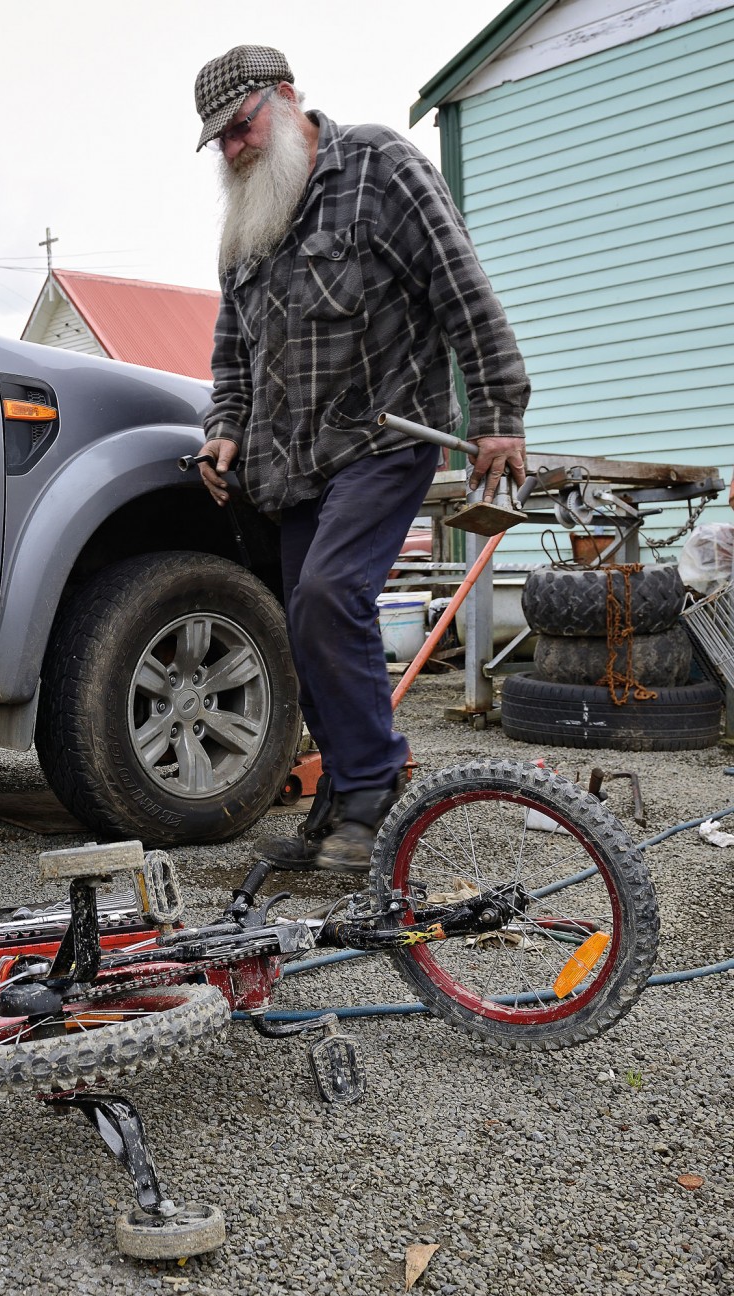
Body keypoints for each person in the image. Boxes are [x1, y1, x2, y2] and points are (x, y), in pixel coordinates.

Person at [191, 46, 530, 873]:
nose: (235, 151)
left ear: (286, 98)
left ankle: (376, 790)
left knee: (330, 593)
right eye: (220, 142)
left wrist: (498, 413)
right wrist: (225, 425)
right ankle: (343, 798)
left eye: (241, 128)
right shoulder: (245, 224)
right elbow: (232, 350)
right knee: (308, 624)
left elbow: (461, 287)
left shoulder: (379, 167)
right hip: (291, 462)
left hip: (386, 435)